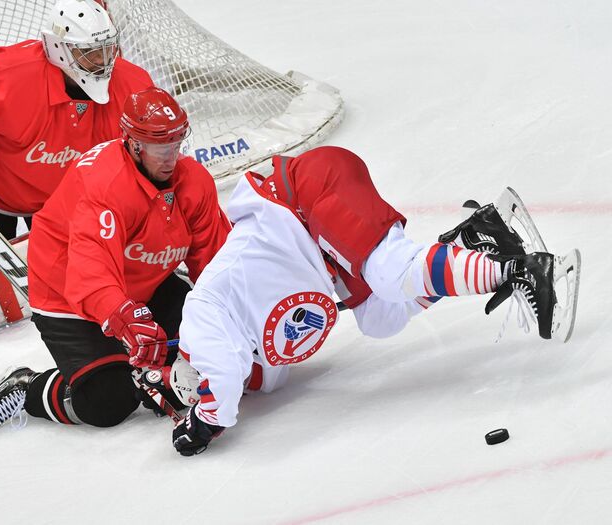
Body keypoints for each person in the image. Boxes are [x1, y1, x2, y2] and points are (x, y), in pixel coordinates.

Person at [167, 146, 580, 456]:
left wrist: (202, 424)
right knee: (381, 318)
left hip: (303, 195)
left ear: (194, 360)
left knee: (392, 272)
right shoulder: (253, 364)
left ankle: (521, 269)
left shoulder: (200, 313)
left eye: (199, 387)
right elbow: (243, 377)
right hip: (320, 247)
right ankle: (476, 238)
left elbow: (218, 380)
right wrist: (214, 401)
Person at [0, 87, 231, 434]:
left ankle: (146, 379)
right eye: (159, 148)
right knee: (107, 402)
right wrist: (125, 318)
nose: (170, 158)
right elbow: (89, 272)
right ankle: (28, 387)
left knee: (200, 362)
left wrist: (239, 305)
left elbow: (216, 259)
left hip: (144, 283)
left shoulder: (194, 181)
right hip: (67, 294)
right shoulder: (105, 185)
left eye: (175, 145)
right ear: (134, 144)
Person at [0, 0, 154, 257]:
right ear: (59, 49)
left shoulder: (133, 84)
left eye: (107, 49)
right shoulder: (14, 78)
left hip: (64, 205)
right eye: (89, 52)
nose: (103, 61)